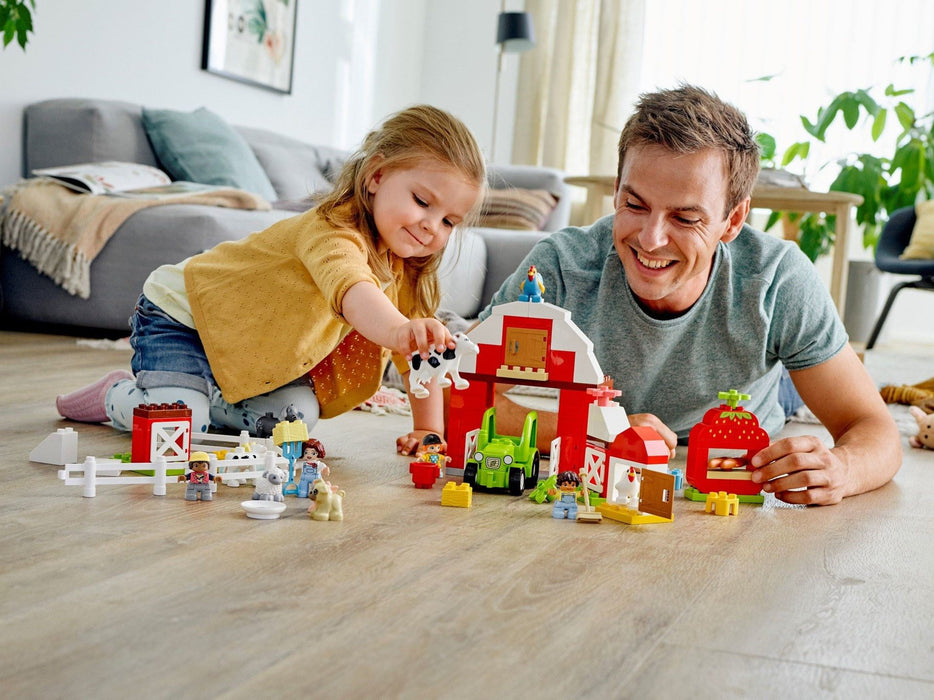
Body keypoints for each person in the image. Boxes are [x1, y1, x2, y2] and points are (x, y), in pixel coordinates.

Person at [459, 84, 900, 506]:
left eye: (686, 218)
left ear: (733, 220)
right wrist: (597, 431)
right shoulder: (557, 267)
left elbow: (873, 428)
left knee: (795, 394)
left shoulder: (777, 279)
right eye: (634, 205)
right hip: (615, 448)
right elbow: (454, 387)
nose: (650, 240)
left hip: (736, 430)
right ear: (616, 191)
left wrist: (840, 468)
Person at [56, 105, 486, 446]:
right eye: (422, 201)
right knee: (175, 429)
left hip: (240, 342)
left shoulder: (403, 265)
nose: (433, 226)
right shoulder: (331, 231)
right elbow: (354, 292)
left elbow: (419, 362)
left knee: (295, 420)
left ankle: (207, 396)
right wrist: (400, 330)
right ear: (376, 176)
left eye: (450, 221)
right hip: (184, 319)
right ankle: (118, 395)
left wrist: (429, 432)